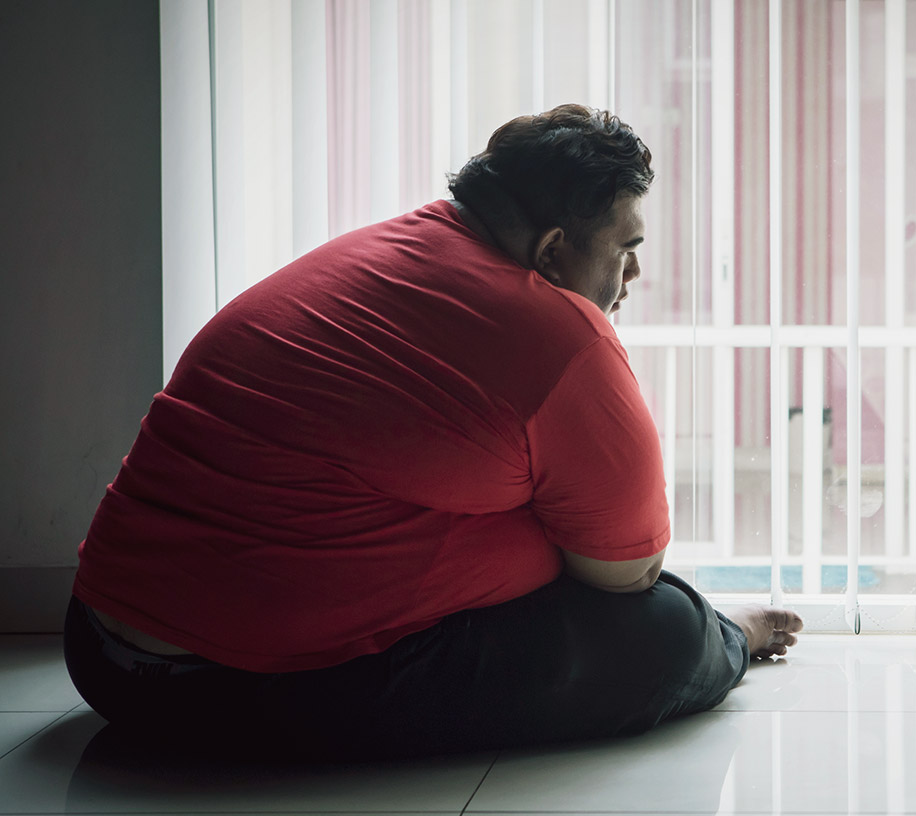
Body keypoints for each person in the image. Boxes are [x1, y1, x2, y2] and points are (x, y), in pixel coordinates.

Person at [63, 104, 802, 760]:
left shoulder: (371, 254)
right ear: (551, 251)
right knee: (664, 631)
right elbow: (625, 574)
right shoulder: (558, 336)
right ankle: (730, 637)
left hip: (99, 651)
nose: (635, 270)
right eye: (624, 246)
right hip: (220, 688)